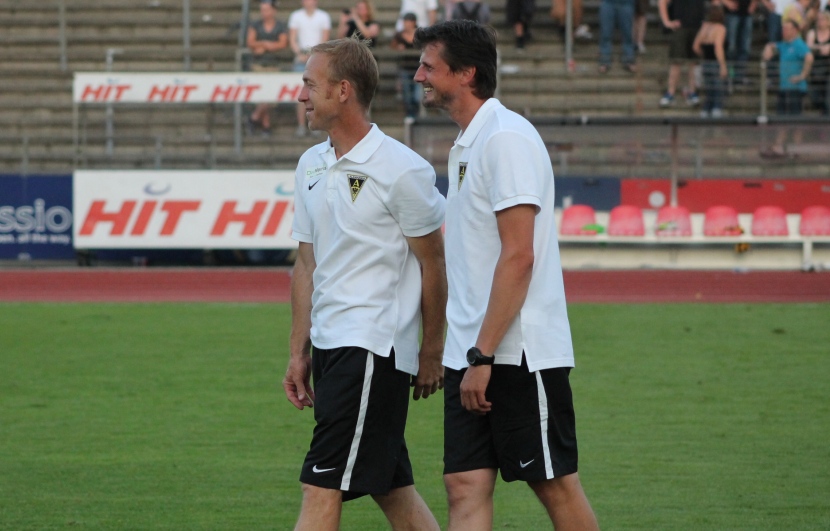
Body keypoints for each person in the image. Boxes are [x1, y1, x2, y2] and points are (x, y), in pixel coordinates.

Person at [413, 20, 599, 530]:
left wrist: (484, 355)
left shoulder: (506, 138)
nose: (418, 76)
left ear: (466, 73)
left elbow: (519, 256)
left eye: (429, 66)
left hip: (515, 352)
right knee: (463, 484)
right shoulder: (469, 142)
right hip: (471, 351)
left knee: (554, 483)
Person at [283, 38, 447, 530]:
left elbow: (434, 263)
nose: (301, 95)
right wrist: (298, 351)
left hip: (373, 348)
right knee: (391, 489)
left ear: (343, 91)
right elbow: (307, 263)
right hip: (331, 347)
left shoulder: (402, 169)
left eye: (310, 84)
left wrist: (431, 350)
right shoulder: (310, 164)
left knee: (320, 484)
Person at [761, 18, 814, 156]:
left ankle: (796, 147)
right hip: (784, 87)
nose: (783, 31)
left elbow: (809, 57)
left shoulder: (798, 44)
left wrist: (802, 75)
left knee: (796, 118)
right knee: (781, 118)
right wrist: (768, 48)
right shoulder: (784, 44)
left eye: (786, 29)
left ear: (794, 30)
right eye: (783, 28)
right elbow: (772, 46)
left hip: (795, 88)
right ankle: (779, 146)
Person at [246, 0, 289, 137]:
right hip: (258, 65)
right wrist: (267, 44)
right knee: (263, 95)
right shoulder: (256, 24)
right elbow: (250, 42)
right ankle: (266, 125)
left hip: (273, 65)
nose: (264, 13)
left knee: (271, 95)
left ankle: (254, 117)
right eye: (262, 10)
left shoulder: (280, 25)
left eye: (266, 9)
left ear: (273, 10)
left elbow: (283, 43)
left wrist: (264, 46)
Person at [289, 0, 331, 136]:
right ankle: (301, 124)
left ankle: (316, 123)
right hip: (301, 58)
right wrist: (299, 53)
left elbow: (324, 39)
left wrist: (314, 55)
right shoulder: (296, 16)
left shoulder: (323, 16)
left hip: (317, 58)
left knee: (317, 93)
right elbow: (293, 39)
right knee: (300, 94)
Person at [659, 0, 706, 106]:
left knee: (694, 63)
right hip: (681, 27)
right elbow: (662, 2)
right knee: (676, 61)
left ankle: (692, 92)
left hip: (697, 27)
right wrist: (667, 22)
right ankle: (670, 93)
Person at [693, 4, 728, 116]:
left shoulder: (704, 27)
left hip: (706, 62)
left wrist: (703, 54)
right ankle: (716, 109)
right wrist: (722, 65)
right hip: (715, 62)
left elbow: (695, 46)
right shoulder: (720, 28)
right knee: (718, 88)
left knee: (709, 89)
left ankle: (705, 110)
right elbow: (718, 47)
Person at [391, 12, 423, 119]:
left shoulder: (420, 35)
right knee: (407, 92)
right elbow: (392, 47)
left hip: (418, 67)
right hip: (404, 67)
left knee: (417, 94)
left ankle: (416, 114)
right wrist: (398, 48)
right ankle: (410, 114)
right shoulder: (399, 35)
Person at [722, 0, 758, 84]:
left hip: (747, 14)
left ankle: (740, 76)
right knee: (731, 47)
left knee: (745, 48)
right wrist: (726, 2)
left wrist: (754, 3)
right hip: (731, 13)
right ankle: (730, 75)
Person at [598, 0, 638, 73]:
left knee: (628, 33)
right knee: (605, 33)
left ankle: (629, 60)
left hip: (626, 3)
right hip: (608, 2)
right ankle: (605, 61)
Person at [806, 10, 830, 113]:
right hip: (815, 68)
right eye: (819, 19)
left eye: (823, 19)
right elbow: (808, 47)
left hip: (828, 68)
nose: (820, 22)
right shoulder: (812, 33)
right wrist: (821, 48)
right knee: (815, 97)